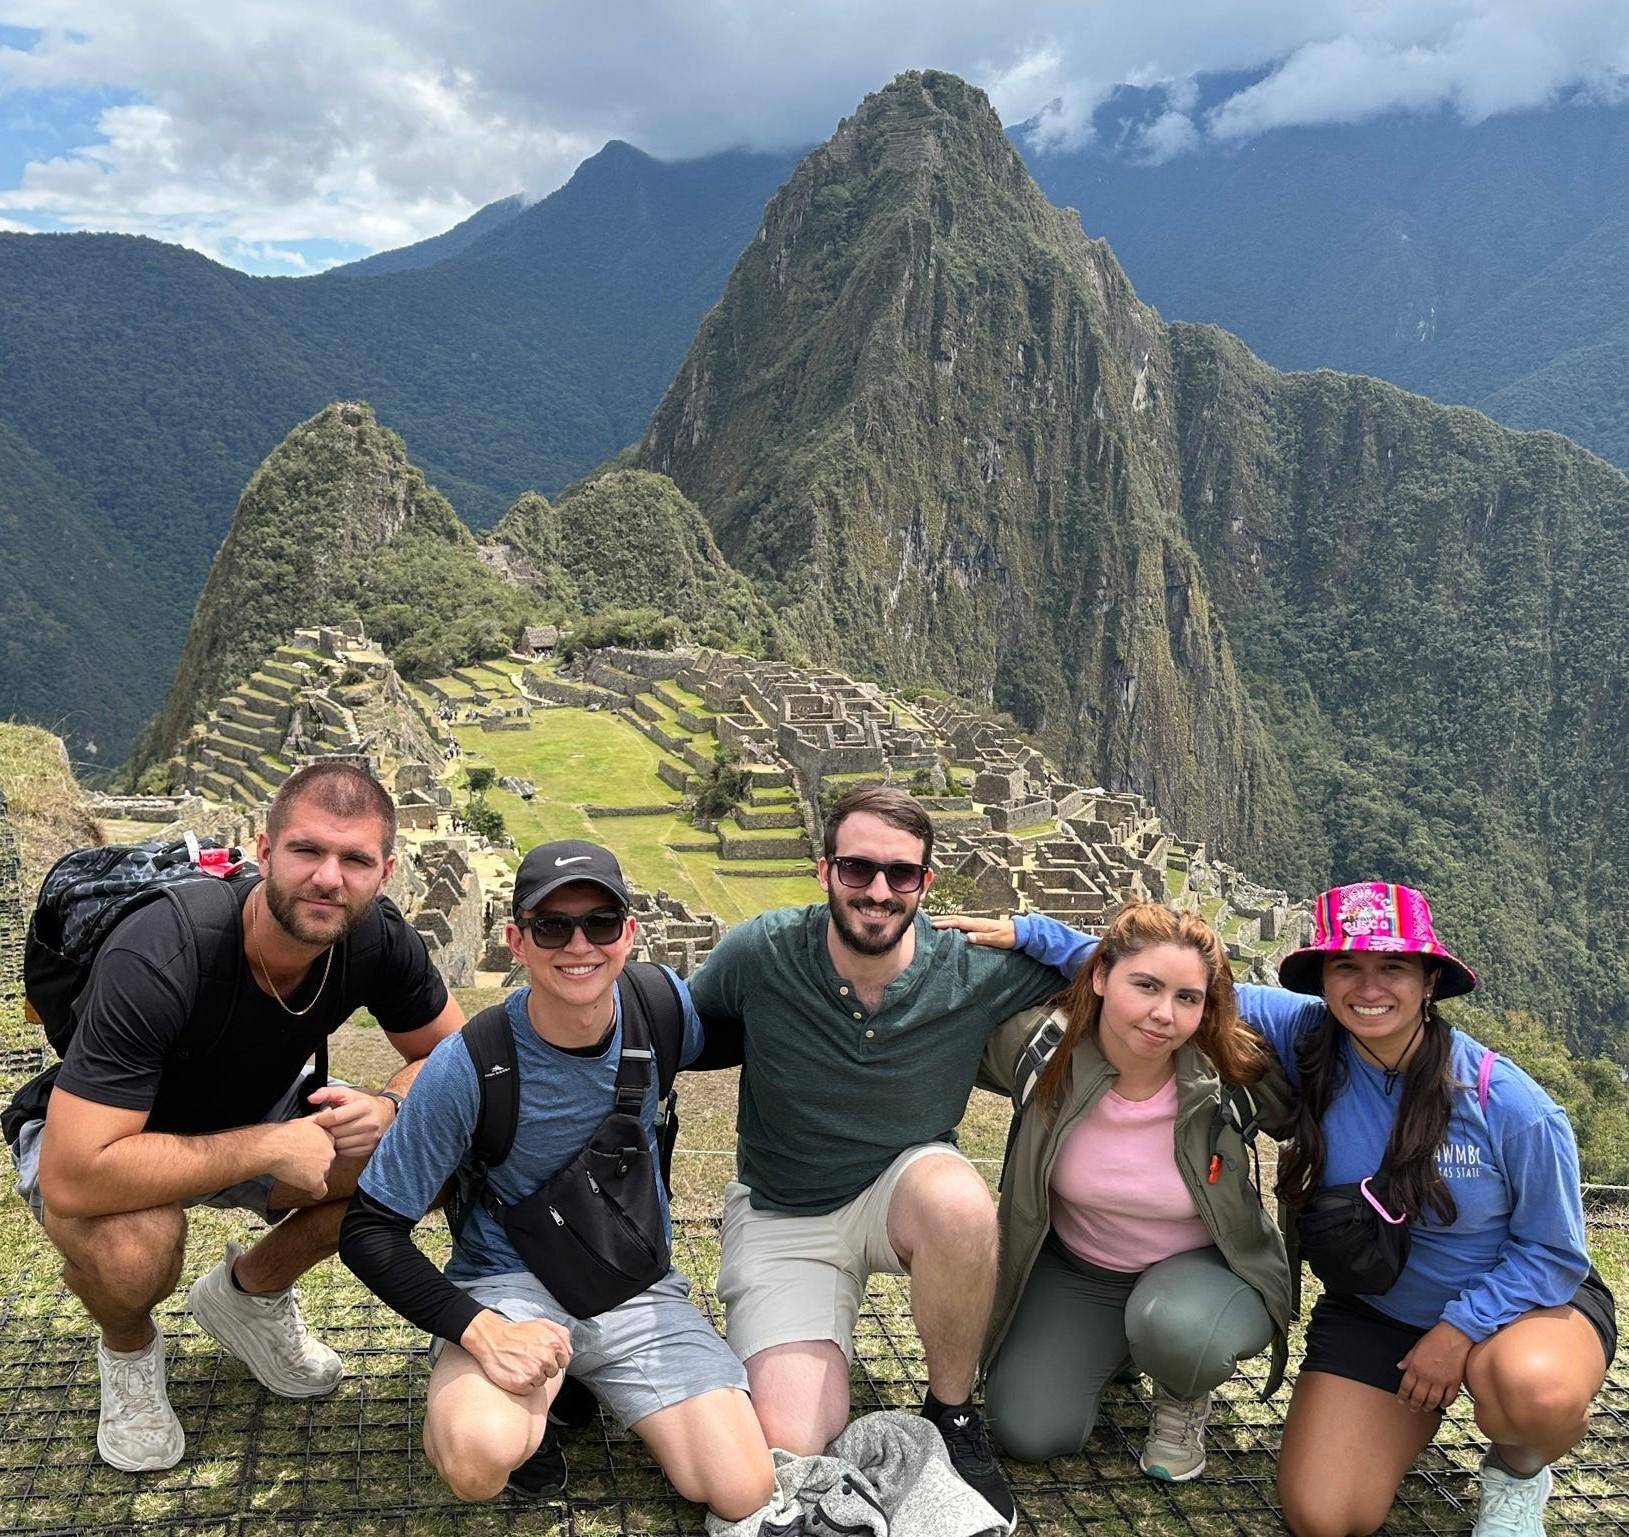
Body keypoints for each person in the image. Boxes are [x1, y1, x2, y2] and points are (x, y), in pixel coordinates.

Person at [7, 761, 463, 1473]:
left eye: (355, 859)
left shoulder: (376, 937)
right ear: (264, 849)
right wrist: (268, 1145)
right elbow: (74, 1175)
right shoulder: (162, 949)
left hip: (263, 1106)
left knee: (434, 1151)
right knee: (135, 1252)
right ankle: (128, 1347)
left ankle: (250, 1292)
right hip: (110, 1135)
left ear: (386, 871)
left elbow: (452, 1058)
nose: (328, 878)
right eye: (307, 850)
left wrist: (389, 1104)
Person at [339, 840, 774, 1518]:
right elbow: (369, 1231)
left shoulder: (661, 1010)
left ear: (628, 932)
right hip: (510, 1286)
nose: (579, 944)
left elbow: (764, 1026)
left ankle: (571, 1381)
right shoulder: (471, 1063)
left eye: (600, 922)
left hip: (632, 1282)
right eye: (552, 925)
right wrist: (480, 1329)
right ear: (516, 939)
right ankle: (531, 1406)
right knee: (478, 1454)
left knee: (741, 1487)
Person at [686, 785, 1078, 1527]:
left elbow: (1124, 969)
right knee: (790, 1440)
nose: (877, 890)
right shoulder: (762, 951)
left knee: (959, 1202)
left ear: (926, 883)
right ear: (824, 870)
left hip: (903, 1187)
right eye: (857, 868)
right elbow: (675, 1022)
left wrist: (1034, 933)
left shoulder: (972, 964)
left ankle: (952, 1412)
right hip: (785, 1210)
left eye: (901, 873)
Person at [1233, 883, 1616, 1537]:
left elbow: (1553, 1251)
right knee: (1323, 1515)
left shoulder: (1509, 1104)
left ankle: (1518, 1473)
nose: (1367, 985)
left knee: (1533, 1391)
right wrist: (1040, 941)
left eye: (1392, 966)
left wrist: (1459, 1329)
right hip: (1377, 1310)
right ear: (1322, 979)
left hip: (1521, 1311)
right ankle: (1398, 1422)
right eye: (1346, 965)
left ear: (1428, 980)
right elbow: (1172, 977)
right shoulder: (1312, 1041)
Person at [945, 903, 1292, 1481]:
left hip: (1205, 1271)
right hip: (1082, 1269)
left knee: (1177, 1330)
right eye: (1146, 986)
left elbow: (1334, 1098)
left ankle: (1181, 1389)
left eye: (1188, 998)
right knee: (1028, 1431)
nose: (1163, 1014)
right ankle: (1122, 1346)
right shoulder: (1042, 1052)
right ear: (1101, 976)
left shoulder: (1230, 1072)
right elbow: (935, 1038)